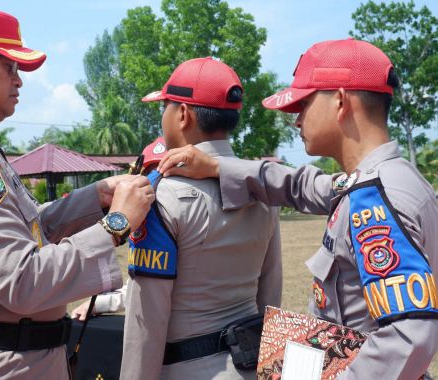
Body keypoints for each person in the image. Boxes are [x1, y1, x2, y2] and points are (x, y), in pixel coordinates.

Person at [157, 39, 438, 379]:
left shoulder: (374, 199)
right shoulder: (387, 180)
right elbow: (301, 186)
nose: (296, 120)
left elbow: (408, 339)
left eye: (303, 104)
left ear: (340, 100)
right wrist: (218, 167)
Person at [0, 7, 154, 379]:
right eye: (9, 65)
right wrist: (117, 224)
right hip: (7, 360)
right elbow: (21, 281)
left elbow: (28, 230)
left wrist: (96, 197)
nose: (19, 80)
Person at [120, 57, 282, 379]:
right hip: (249, 367)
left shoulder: (160, 197)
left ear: (182, 115)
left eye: (164, 107)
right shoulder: (262, 190)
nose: (162, 117)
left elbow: (146, 325)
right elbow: (270, 294)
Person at [71, 136, 168, 321]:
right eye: (150, 175)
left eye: (164, 174)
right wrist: (97, 304)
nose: (156, 184)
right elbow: (136, 287)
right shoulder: (143, 224)